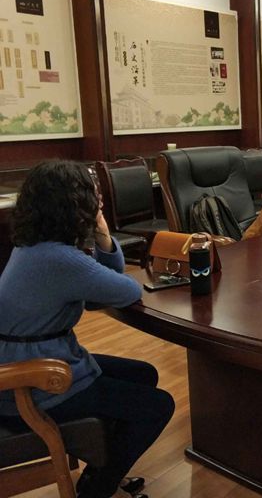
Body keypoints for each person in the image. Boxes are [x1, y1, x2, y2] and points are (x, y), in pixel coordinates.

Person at [0, 160, 174, 498]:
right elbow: (127, 290)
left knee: (143, 374)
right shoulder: (59, 259)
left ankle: (101, 466)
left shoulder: (34, 246)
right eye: (92, 194)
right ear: (74, 204)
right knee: (158, 406)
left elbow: (100, 291)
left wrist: (102, 233)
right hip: (31, 385)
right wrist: (101, 227)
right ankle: (97, 489)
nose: (98, 199)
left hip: (29, 367)